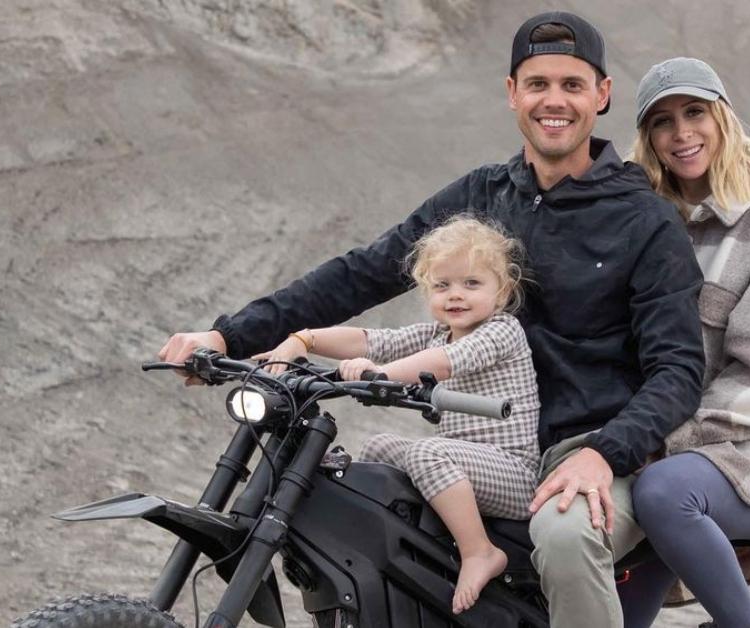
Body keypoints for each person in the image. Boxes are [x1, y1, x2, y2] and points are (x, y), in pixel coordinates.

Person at [156, 11, 706, 622]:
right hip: (485, 447)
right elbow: (366, 270)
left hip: (590, 454)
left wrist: (604, 453)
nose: (555, 101)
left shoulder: (645, 220)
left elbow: (678, 370)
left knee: (565, 534)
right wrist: (228, 335)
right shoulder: (482, 196)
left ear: (601, 95)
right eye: (538, 84)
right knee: (360, 496)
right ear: (512, 93)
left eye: (573, 85)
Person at [616, 57, 750, 628]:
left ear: (723, 119)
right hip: (651, 448)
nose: (681, 133)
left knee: (663, 494)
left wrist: (652, 445)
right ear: (648, 138)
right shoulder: (644, 225)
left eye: (694, 113)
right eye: (662, 121)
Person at [253, 216, 540, 614]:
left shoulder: (502, 330)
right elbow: (372, 341)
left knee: (427, 453)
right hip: (464, 465)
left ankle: (479, 552)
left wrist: (380, 375)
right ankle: (393, 558)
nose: (456, 295)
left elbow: (445, 363)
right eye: (442, 285)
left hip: (513, 473)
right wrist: (303, 339)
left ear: (502, 289)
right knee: (379, 447)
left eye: (472, 284)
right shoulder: (434, 334)